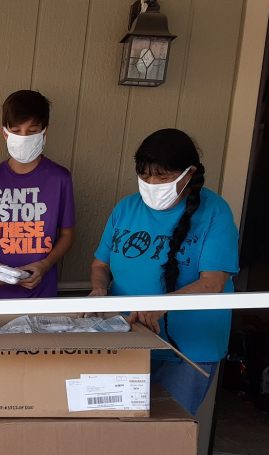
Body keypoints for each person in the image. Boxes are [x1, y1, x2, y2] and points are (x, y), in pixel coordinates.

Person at [89, 128, 239, 415]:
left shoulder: (214, 212)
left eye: (164, 177)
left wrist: (159, 307)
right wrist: (99, 291)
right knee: (118, 431)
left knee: (167, 432)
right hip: (128, 338)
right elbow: (100, 265)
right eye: (145, 177)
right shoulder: (126, 208)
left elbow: (213, 282)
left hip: (188, 348)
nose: (153, 184)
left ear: (189, 173)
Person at [0, 89, 75, 298]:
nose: (23, 137)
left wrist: (45, 265)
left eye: (32, 131)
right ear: (5, 133)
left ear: (44, 132)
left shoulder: (60, 178)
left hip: (41, 293)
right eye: (16, 130)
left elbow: (67, 234)